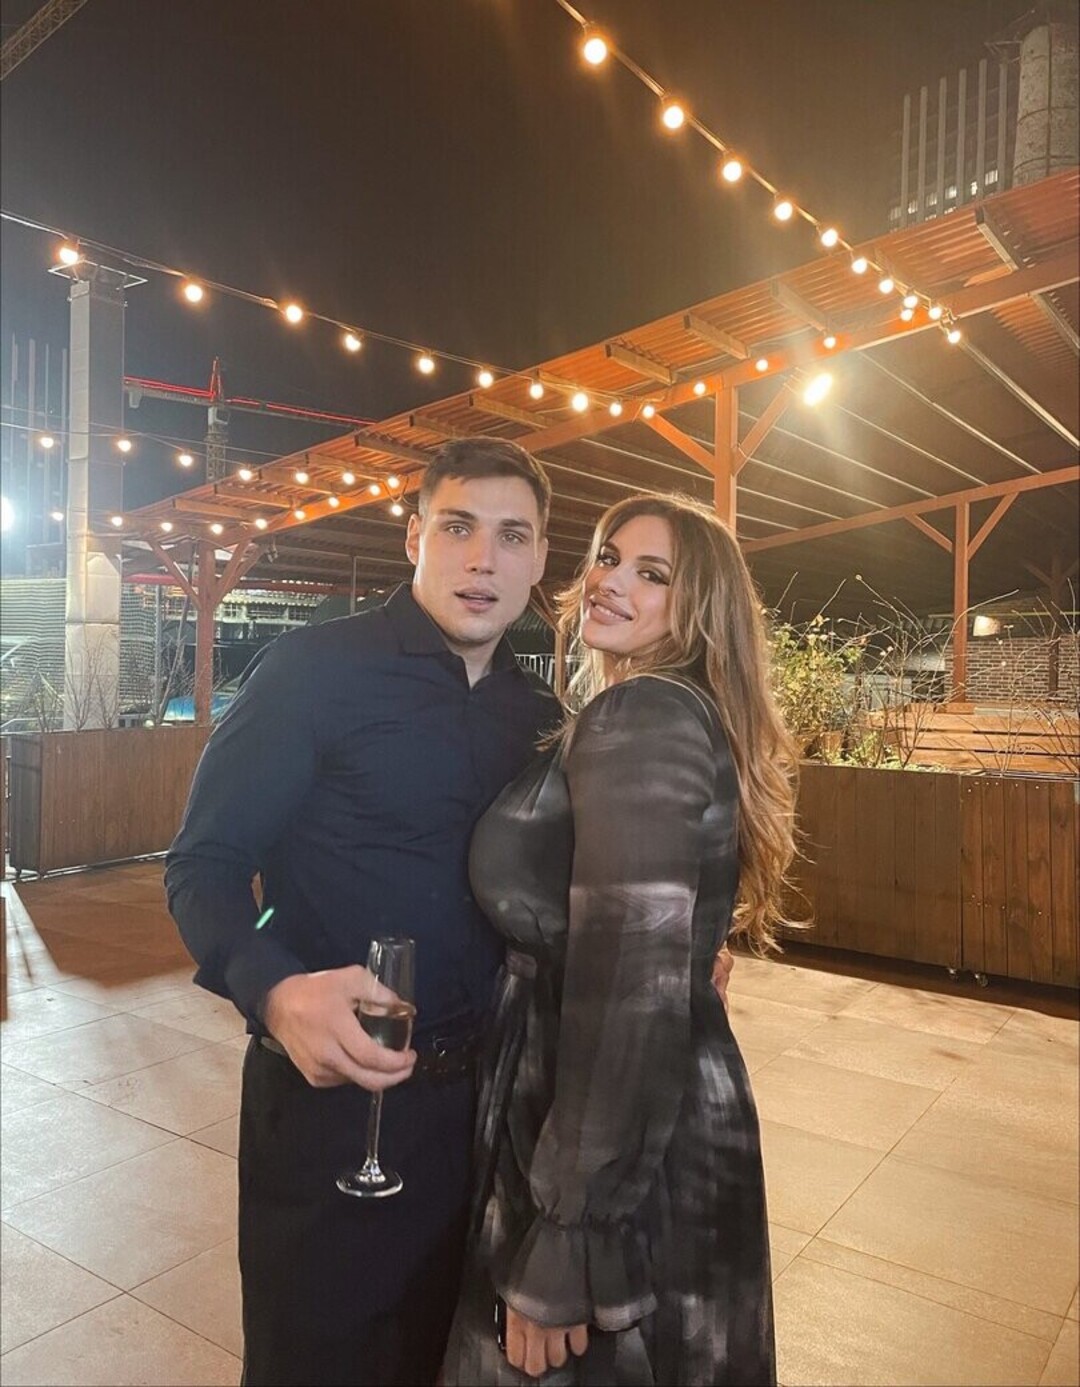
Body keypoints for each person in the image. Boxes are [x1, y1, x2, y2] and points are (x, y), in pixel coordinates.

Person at [166, 437, 560, 1386]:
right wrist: (275, 991)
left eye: (512, 536)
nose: (483, 559)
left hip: (483, 1124)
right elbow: (203, 867)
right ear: (414, 536)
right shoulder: (313, 670)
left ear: (540, 559)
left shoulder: (541, 715)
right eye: (458, 527)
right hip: (330, 1115)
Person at [441, 492, 798, 1387]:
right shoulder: (667, 709)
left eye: (652, 573)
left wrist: (571, 1237)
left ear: (700, 608)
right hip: (637, 1118)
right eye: (607, 556)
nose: (610, 581)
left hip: (607, 1135)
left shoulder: (641, 714)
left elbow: (629, 980)